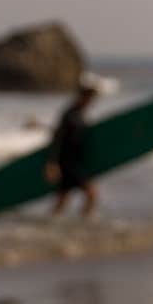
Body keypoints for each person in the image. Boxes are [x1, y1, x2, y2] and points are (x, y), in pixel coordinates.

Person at [45, 85, 98, 217]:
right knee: (91, 194)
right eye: (90, 98)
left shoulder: (80, 114)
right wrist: (52, 163)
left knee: (62, 199)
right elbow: (57, 139)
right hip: (69, 163)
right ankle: (84, 221)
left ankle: (50, 223)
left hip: (75, 162)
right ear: (82, 97)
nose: (91, 102)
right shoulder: (70, 114)